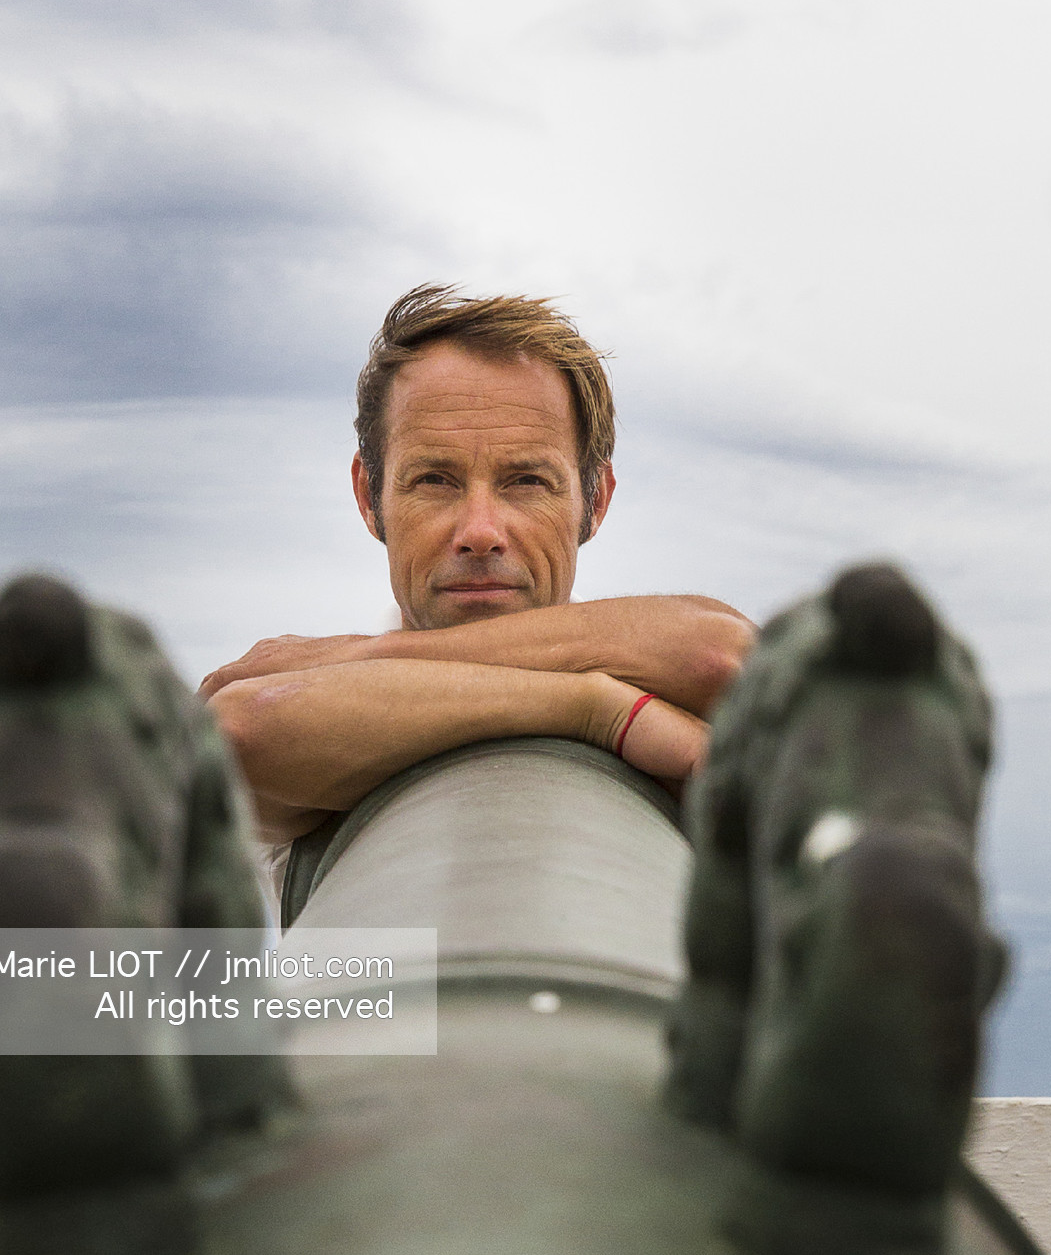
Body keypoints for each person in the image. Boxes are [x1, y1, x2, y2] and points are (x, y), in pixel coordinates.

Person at [201, 285, 754, 882]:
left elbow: (722, 656)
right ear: (368, 497)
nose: (481, 532)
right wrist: (596, 708)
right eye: (434, 480)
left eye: (527, 481)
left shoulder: (323, 681)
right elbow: (236, 731)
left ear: (594, 502)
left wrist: (361, 658)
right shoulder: (314, 728)